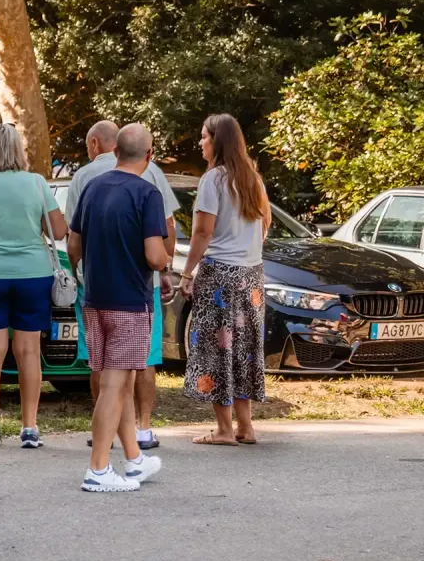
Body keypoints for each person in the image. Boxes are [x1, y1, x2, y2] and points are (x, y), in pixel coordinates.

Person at [67, 123, 168, 492]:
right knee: (115, 384)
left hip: (95, 298)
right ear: (149, 155)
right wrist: (167, 262)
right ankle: (97, 469)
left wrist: (81, 275)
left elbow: (73, 243)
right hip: (130, 301)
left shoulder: (92, 187)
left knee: (118, 381)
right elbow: (154, 256)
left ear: (115, 152)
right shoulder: (147, 193)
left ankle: (135, 459)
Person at [0, 123, 69, 450]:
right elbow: (59, 231)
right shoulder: (36, 182)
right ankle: (30, 428)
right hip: (32, 273)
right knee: (28, 350)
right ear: (19, 149)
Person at [179, 114, 271, 445]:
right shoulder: (253, 179)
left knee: (217, 349)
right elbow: (265, 223)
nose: (200, 142)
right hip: (252, 275)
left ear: (216, 141)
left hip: (220, 274)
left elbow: (203, 231)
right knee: (244, 349)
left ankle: (223, 429)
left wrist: (187, 272)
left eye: (204, 137)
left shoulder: (213, 180)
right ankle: (246, 426)